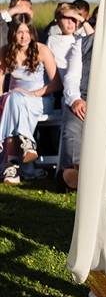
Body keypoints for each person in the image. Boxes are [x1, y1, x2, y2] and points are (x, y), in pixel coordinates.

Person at [0, 15, 59, 184]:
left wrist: (32, 94)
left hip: (40, 99)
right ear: (13, 34)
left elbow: (56, 84)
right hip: (15, 102)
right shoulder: (5, 51)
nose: (24, 36)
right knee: (12, 99)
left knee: (15, 99)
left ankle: (11, 164)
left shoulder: (41, 50)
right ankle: (27, 144)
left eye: (27, 32)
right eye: (19, 32)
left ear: (32, 33)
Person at [59, 32, 94, 189]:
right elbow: (72, 77)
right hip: (84, 96)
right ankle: (73, 169)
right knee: (73, 123)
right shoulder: (82, 44)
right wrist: (75, 100)